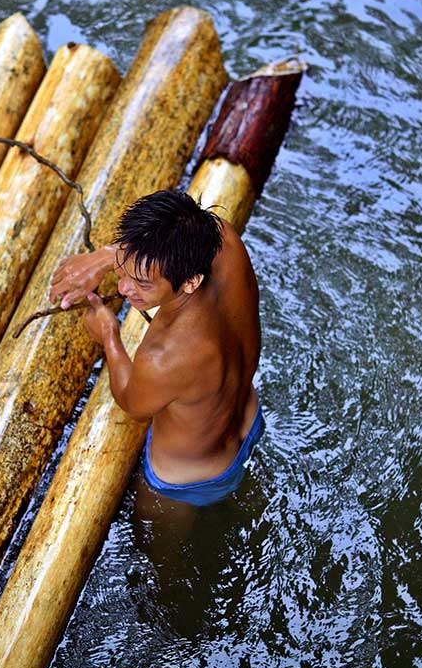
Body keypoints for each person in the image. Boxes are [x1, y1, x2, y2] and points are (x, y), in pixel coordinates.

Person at [50, 189, 263, 508]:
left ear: (191, 282)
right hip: (248, 417)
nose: (123, 288)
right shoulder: (222, 237)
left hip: (191, 479)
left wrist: (109, 336)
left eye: (142, 283)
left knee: (157, 550)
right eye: (125, 269)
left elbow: (132, 403)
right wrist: (107, 256)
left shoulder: (164, 357)